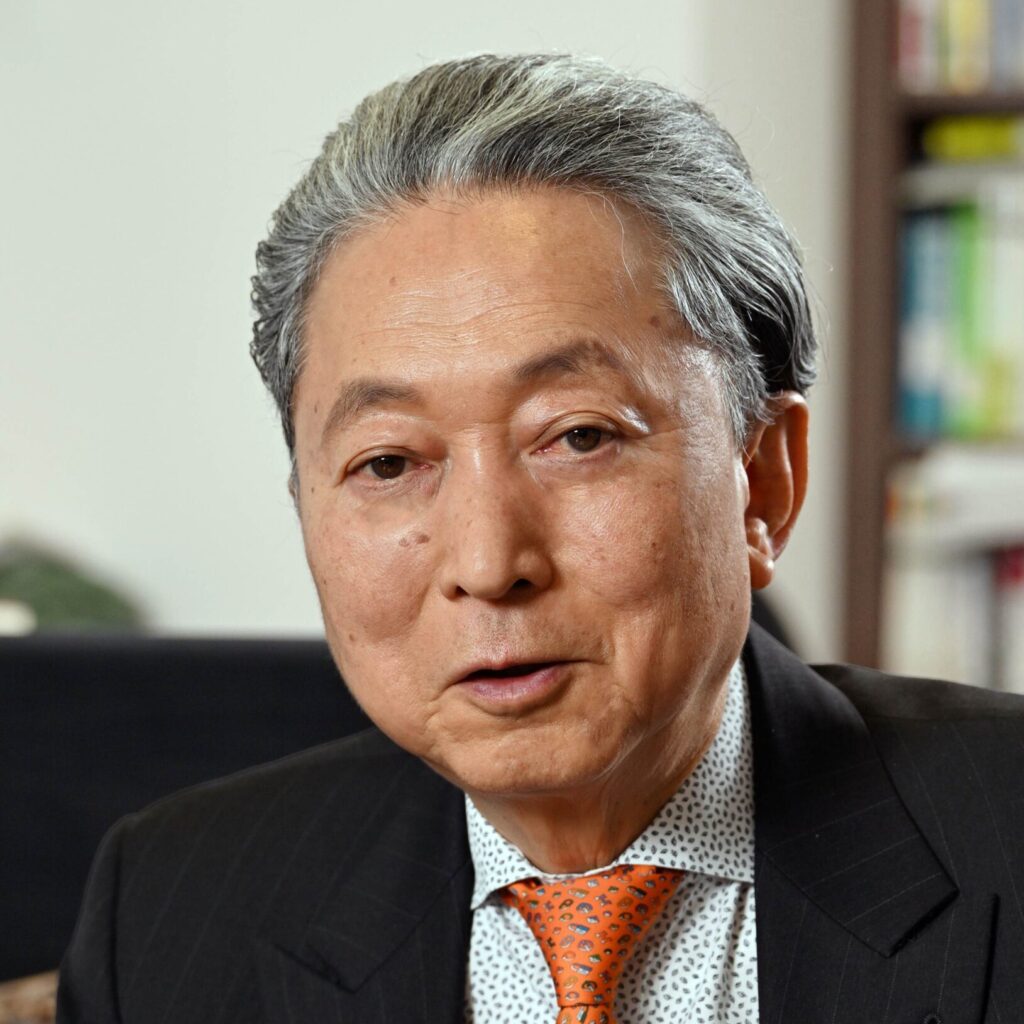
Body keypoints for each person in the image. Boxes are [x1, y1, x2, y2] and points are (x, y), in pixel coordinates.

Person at [57, 53, 1024, 1023]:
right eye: (388, 462)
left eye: (579, 437)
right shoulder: (172, 912)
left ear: (763, 480)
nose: (488, 565)